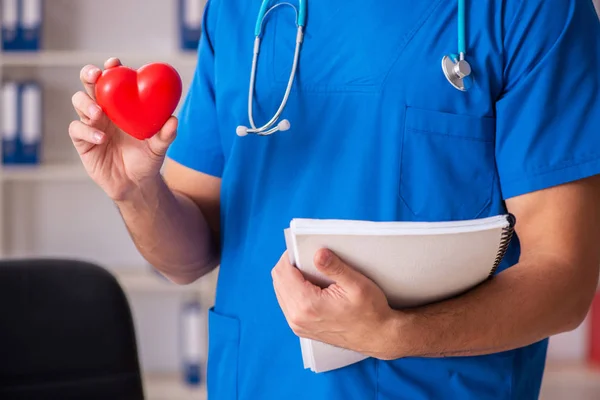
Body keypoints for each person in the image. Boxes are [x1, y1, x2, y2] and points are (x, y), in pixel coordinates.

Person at [69, 0, 600, 398]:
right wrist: (137, 191)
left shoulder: (532, 10)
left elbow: (565, 278)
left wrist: (396, 334)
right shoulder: (238, 10)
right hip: (259, 382)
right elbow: (186, 258)